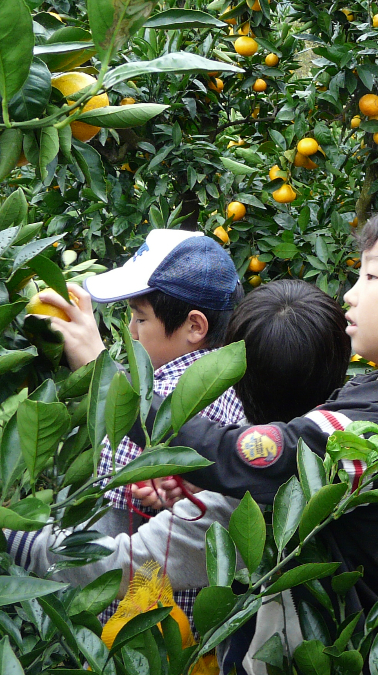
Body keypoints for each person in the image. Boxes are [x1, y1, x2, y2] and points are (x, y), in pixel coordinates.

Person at [130, 193, 378, 671]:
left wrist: (116, 391)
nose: (351, 293)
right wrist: (206, 479)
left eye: (372, 277)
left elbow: (241, 452)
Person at [0, 280, 352, 651]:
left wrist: (2, 533)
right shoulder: (355, 436)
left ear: (236, 376)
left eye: (139, 319)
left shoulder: (235, 505)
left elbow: (121, 565)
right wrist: (201, 485)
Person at [33, 229, 246, 621]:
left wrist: (99, 370)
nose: (130, 331)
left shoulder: (187, 395)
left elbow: (116, 471)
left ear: (194, 327)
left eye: (140, 318)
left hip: (148, 620)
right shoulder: (222, 379)